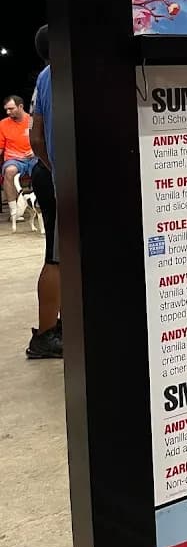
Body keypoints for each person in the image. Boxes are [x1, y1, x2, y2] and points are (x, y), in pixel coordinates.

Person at [28, 24, 61, 359]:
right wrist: (61, 171)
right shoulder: (67, 72)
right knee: (56, 257)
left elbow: (35, 138)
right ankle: (45, 335)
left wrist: (50, 165)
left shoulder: (44, 76)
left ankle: (62, 324)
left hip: (47, 171)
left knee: (66, 253)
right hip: (60, 178)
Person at [0, 94, 36, 223]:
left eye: (11, 109)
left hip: (34, 157)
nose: (8, 112)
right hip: (14, 159)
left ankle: (42, 206)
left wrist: (34, 150)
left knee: (43, 171)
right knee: (9, 171)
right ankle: (14, 212)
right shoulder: (3, 124)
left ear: (20, 106)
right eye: (6, 110)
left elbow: (42, 140)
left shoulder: (32, 120)